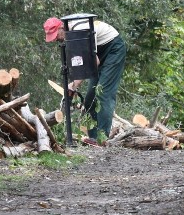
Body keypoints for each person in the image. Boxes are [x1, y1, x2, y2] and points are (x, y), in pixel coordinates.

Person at [44, 16, 127, 144]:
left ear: (61, 27)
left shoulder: (79, 32)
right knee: (89, 99)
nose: (56, 39)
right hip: (99, 51)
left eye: (56, 35)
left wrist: (75, 84)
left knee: (103, 93)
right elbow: (87, 61)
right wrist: (73, 83)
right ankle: (92, 138)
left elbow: (94, 62)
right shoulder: (71, 34)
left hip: (113, 49)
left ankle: (102, 139)